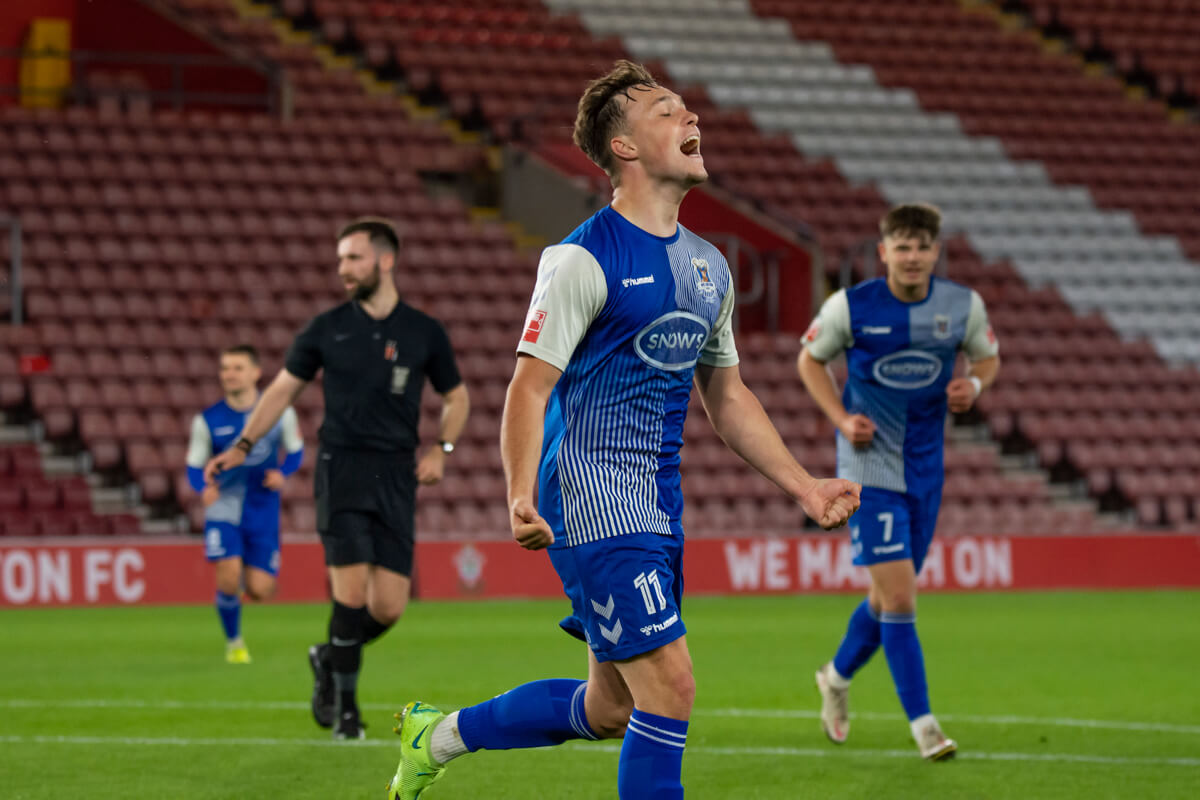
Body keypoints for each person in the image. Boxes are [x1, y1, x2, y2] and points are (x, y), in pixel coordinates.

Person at [384, 60, 861, 800]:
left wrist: (803, 484)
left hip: (657, 503)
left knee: (611, 709)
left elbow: (726, 396)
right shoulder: (582, 257)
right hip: (590, 496)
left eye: (687, 108)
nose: (690, 117)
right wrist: (518, 491)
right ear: (626, 148)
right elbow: (528, 386)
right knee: (670, 689)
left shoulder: (709, 268)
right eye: (667, 110)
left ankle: (435, 737)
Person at [203, 217, 470, 739]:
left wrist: (442, 449)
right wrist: (241, 447)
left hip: (397, 474)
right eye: (340, 259)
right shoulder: (326, 328)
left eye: (352, 258)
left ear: (385, 260)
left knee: (388, 607)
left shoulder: (423, 331)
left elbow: (456, 397)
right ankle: (347, 714)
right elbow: (280, 391)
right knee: (349, 597)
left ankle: (326, 656)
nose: (342, 268)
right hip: (341, 470)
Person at [797, 203, 1001, 760]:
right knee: (903, 596)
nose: (912, 257)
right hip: (868, 469)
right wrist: (841, 421)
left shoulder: (961, 307)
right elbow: (810, 362)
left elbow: (987, 359)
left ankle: (835, 679)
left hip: (925, 467)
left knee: (885, 597)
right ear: (884, 252)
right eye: (902, 247)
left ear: (935, 252)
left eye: (922, 247)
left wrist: (975, 388)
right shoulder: (851, 307)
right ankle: (924, 723)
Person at [185, 344, 304, 664]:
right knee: (228, 573)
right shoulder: (208, 420)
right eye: (225, 368)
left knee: (262, 589)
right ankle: (234, 643)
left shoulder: (281, 413)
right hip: (224, 506)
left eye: (237, 368)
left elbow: (296, 451)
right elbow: (194, 466)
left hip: (264, 510)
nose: (229, 374)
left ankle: (236, 585)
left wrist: (283, 473)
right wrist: (202, 488)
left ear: (255, 372)